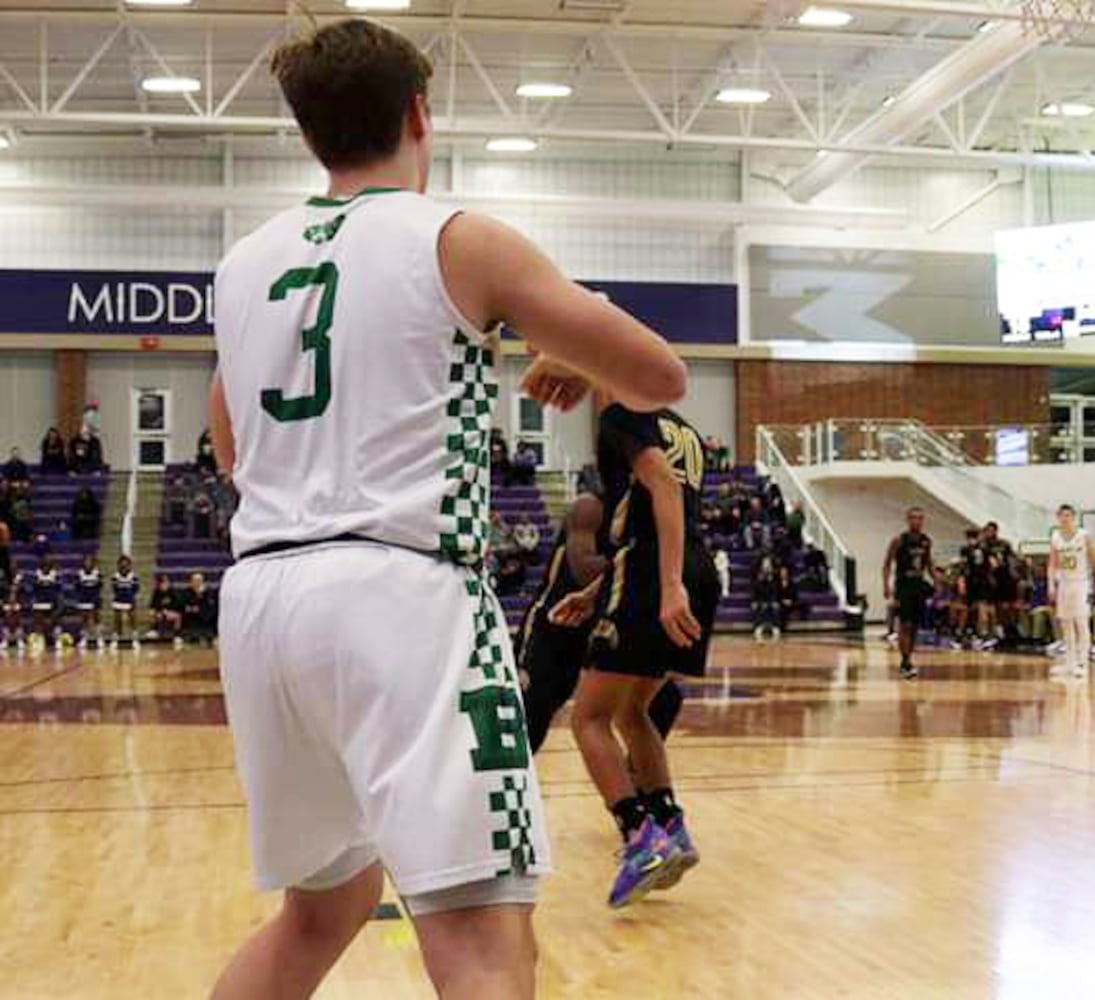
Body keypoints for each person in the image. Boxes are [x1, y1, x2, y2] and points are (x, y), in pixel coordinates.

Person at [206, 18, 686, 1000]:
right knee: (482, 939)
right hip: (403, 593)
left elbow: (230, 446)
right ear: (419, 113)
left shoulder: (244, 264)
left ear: (308, 137)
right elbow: (657, 372)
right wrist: (563, 340)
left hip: (260, 599)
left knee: (319, 912)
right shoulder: (459, 238)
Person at [547, 396, 718, 909]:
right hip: (696, 567)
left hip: (652, 573)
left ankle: (639, 836)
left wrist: (665, 586)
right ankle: (670, 824)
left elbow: (661, 488)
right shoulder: (683, 426)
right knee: (632, 709)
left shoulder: (623, 415)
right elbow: (662, 514)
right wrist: (596, 592)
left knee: (588, 717)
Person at [516, 495, 684, 753]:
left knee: (664, 699)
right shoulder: (590, 506)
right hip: (556, 623)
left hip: (602, 621)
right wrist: (641, 565)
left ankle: (640, 780)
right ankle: (498, 785)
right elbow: (582, 569)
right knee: (530, 716)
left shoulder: (646, 518)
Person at [1048, 505, 1095, 679]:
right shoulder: (1056, 536)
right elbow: (1052, 563)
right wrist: (1051, 584)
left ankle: (1083, 663)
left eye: (1068, 515)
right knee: (1066, 623)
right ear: (1058, 517)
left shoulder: (1084, 535)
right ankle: (1069, 663)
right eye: (1062, 515)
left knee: (1081, 622)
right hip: (1064, 583)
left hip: (1081, 583)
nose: (1065, 518)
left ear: (1074, 517)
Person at [883, 507, 934, 680]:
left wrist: (938, 580)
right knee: (905, 624)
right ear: (907, 519)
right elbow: (887, 564)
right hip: (903, 586)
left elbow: (929, 564)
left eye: (920, 518)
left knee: (914, 627)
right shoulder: (899, 540)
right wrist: (886, 586)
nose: (917, 521)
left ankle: (908, 658)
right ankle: (905, 661)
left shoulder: (926, 541)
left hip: (918, 585)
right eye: (913, 518)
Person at [74, 554, 103, 649]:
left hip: (94, 598)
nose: (88, 563)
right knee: (84, 619)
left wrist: (96, 598)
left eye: (90, 561)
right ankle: (84, 639)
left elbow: (100, 586)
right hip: (83, 599)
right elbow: (77, 587)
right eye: (86, 561)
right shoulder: (80, 574)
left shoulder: (97, 573)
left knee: (96, 618)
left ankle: (99, 638)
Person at [110, 555, 140, 649]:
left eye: (126, 564)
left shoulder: (134, 577)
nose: (124, 566)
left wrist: (130, 598)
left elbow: (136, 589)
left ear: (129, 565)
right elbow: (114, 588)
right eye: (122, 564)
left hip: (129, 600)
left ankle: (134, 639)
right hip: (118, 600)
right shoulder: (115, 576)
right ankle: (116, 639)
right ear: (118, 565)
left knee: (132, 619)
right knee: (117, 619)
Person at [149, 574, 183, 645]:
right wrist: (156, 611)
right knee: (153, 614)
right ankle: (154, 630)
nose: (164, 585)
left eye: (166, 583)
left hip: (171, 612)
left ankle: (177, 635)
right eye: (162, 583)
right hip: (160, 612)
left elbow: (178, 604)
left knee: (178, 616)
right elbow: (153, 605)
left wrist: (169, 611)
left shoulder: (172, 592)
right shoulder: (157, 592)